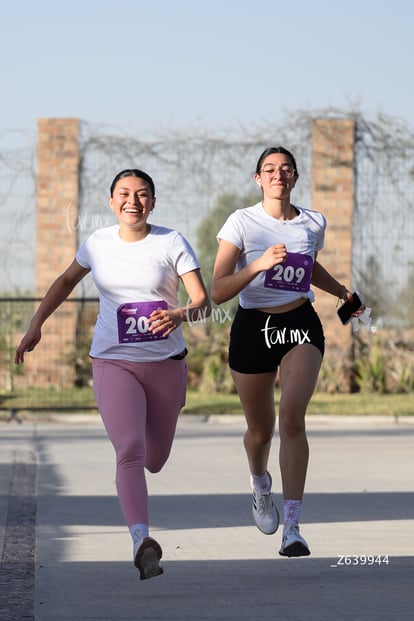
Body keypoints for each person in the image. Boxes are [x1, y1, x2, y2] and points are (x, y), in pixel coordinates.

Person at [15, 168, 211, 580]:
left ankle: (143, 525)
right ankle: (142, 540)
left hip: (166, 365)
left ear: (153, 203)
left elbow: (203, 302)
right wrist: (36, 323)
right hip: (112, 360)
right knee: (129, 450)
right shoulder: (98, 243)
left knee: (155, 460)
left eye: (142, 194)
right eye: (124, 193)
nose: (132, 201)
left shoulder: (171, 242)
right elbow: (67, 279)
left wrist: (179, 314)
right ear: (111, 201)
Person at [211, 146, 363, 558]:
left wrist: (341, 292)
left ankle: (292, 527)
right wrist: (257, 266)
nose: (278, 175)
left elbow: (309, 267)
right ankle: (260, 485)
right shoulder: (241, 221)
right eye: (269, 169)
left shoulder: (313, 222)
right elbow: (218, 288)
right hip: (253, 326)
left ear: (295, 178)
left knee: (292, 418)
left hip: (300, 323)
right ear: (258, 178)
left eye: (286, 169)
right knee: (260, 431)